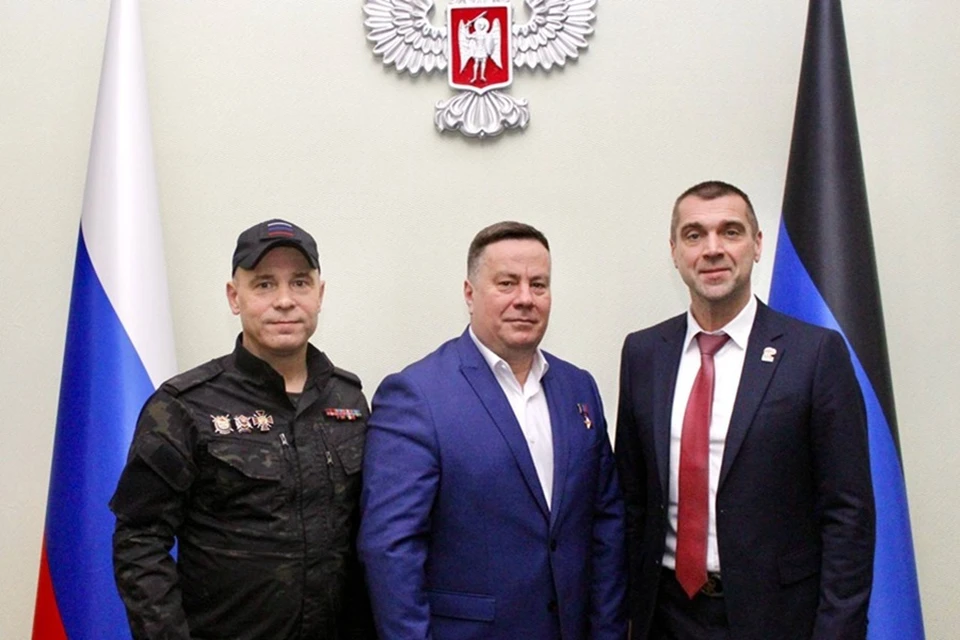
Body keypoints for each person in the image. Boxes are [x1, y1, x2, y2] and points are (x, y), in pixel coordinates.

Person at [615, 181, 875, 639]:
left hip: (778, 619)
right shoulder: (643, 353)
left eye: (730, 231)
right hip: (665, 616)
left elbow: (848, 513)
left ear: (757, 245)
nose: (712, 249)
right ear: (674, 252)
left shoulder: (815, 354)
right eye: (694, 235)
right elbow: (631, 500)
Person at [358, 221, 626, 640]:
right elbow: (391, 548)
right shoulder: (417, 395)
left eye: (539, 285)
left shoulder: (578, 388)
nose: (525, 299)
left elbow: (606, 522)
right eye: (507, 283)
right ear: (470, 294)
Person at [110, 219, 375, 639]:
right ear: (235, 297)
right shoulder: (184, 406)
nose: (284, 301)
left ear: (320, 294)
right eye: (264, 284)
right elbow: (139, 540)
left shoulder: (349, 401)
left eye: (300, 283)